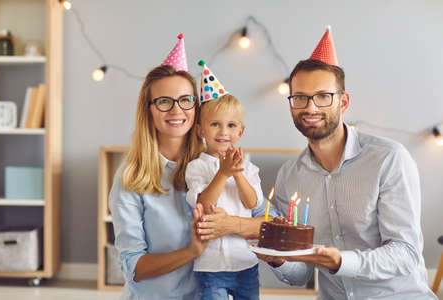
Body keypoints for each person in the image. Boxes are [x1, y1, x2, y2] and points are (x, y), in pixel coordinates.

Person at [256, 27, 437, 299]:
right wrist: (277, 258)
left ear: (344, 102)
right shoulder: (289, 176)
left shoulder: (388, 159)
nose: (310, 107)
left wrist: (341, 261)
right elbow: (301, 273)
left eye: (323, 96)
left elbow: (405, 253)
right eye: (300, 97)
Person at [109, 34, 208, 299]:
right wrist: (192, 251)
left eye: (186, 100)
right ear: (149, 110)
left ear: (196, 108)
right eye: (164, 101)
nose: (177, 110)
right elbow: (134, 268)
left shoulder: (214, 169)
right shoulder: (131, 177)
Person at [185, 60, 264, 300]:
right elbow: (203, 205)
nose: (223, 132)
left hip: (246, 262)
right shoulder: (196, 167)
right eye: (215, 125)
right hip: (210, 266)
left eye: (231, 125)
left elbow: (252, 203)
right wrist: (223, 173)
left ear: (240, 132)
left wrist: (237, 173)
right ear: (200, 131)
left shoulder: (248, 167)